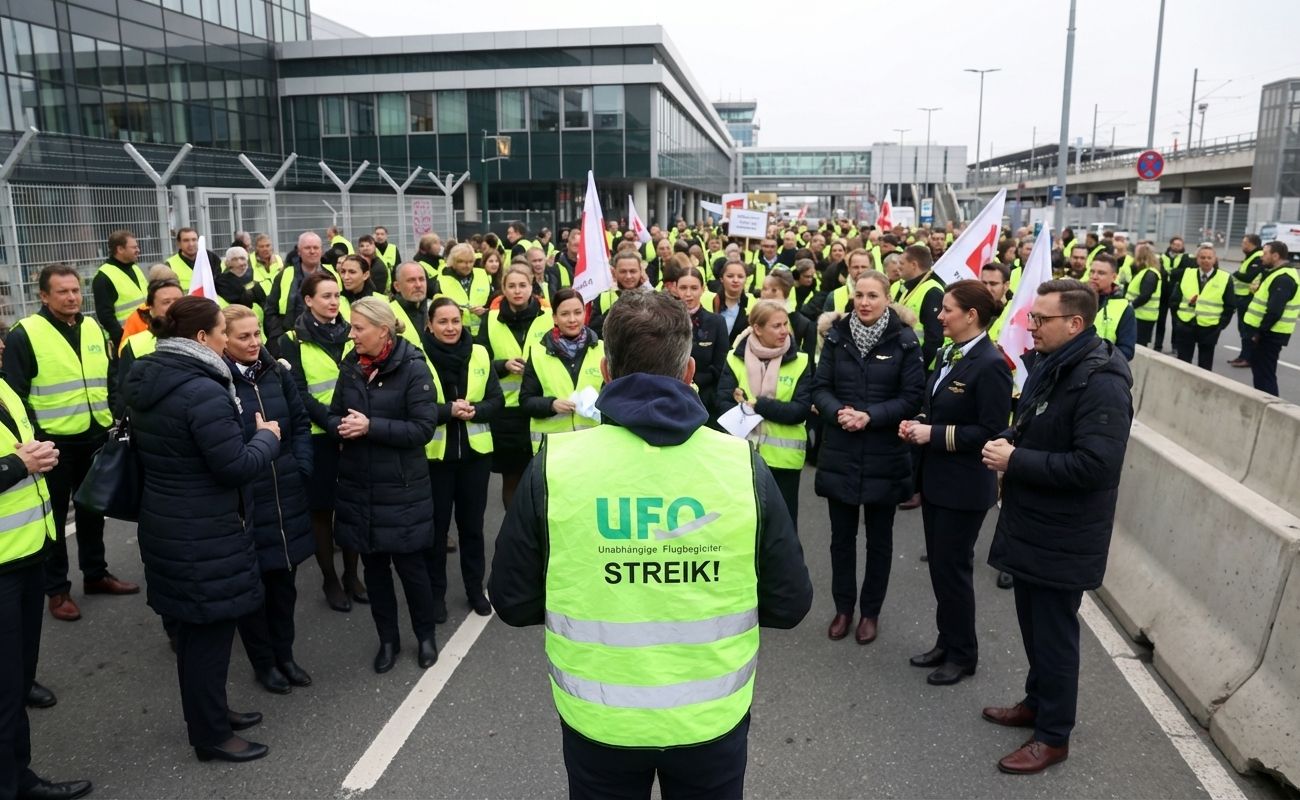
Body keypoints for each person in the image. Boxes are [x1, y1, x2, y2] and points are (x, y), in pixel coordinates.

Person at [488, 290, 812, 800]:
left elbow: (511, 600)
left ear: (604, 370)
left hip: (600, 718)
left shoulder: (557, 464)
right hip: (710, 718)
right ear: (688, 372)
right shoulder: (740, 465)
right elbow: (790, 603)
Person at [980, 279, 1133, 775]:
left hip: (1065, 534)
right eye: (1031, 316)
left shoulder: (1102, 381)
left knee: (1055, 635)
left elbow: (1096, 466)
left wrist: (1017, 460)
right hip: (1035, 524)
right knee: (1033, 625)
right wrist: (1008, 440)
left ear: (1076, 323)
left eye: (1040, 319)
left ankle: (1053, 736)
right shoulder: (1055, 365)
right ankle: (1036, 701)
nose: (1030, 325)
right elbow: (1033, 421)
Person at [124, 296, 282, 763]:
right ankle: (212, 737)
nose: (225, 341)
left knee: (195, 637)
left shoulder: (153, 376)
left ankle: (210, 715)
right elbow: (232, 465)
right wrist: (266, 439)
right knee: (209, 636)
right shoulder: (203, 390)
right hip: (203, 531)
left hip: (171, 522)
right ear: (201, 339)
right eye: (220, 332)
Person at [5, 264, 137, 623]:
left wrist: (113, 408)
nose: (72, 297)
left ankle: (95, 574)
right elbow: (14, 393)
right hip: (53, 443)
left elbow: (109, 374)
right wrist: (32, 440)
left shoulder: (92, 326)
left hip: (95, 435)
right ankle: (57, 589)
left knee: (94, 510)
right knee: (56, 516)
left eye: (76, 290)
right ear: (44, 296)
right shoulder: (25, 334)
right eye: (62, 291)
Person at [899, 280, 1012, 687]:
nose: (939, 315)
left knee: (954, 571)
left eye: (947, 310)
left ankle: (964, 655)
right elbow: (942, 408)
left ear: (972, 316)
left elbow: (992, 431)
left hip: (964, 486)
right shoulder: (952, 353)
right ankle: (947, 641)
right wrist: (920, 425)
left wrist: (935, 435)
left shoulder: (992, 364)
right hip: (938, 481)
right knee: (942, 570)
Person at [813, 270, 925, 645]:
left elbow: (912, 396)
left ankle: (870, 612)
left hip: (884, 453)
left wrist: (871, 416)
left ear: (887, 299)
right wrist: (838, 412)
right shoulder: (836, 336)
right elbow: (821, 386)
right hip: (840, 450)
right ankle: (843, 608)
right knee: (840, 539)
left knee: (880, 541)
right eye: (859, 294)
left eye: (873, 295)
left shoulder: (905, 340)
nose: (864, 302)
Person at [328, 298, 440, 674]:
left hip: (402, 490)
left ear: (383, 330)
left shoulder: (413, 368)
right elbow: (333, 414)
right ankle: (387, 640)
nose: (352, 334)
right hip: (360, 487)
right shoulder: (350, 366)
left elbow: (423, 429)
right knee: (375, 574)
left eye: (359, 328)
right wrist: (339, 427)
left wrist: (370, 426)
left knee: (412, 572)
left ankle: (425, 636)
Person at [0, 374, 93, 799]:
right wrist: (20, 464)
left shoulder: (3, 388)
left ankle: (20, 779)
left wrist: (38, 451)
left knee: (16, 684)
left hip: (26, 554)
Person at [222, 305, 315, 696]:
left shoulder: (276, 371)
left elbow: (301, 422)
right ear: (221, 339)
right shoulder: (219, 382)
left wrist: (301, 466)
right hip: (249, 501)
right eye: (243, 336)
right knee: (254, 591)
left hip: (286, 494)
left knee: (285, 585)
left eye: (257, 333)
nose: (254, 342)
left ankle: (286, 654)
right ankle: (264, 664)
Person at [276, 272, 366, 613]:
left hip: (355, 430)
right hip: (318, 436)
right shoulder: (290, 341)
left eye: (337, 295)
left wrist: (352, 422)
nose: (333, 301)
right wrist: (332, 424)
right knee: (322, 512)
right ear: (308, 300)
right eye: (326, 296)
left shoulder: (353, 332)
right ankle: (329, 577)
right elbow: (298, 392)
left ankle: (352, 574)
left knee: (353, 507)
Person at [421, 297, 503, 622]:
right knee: (436, 532)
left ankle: (474, 590)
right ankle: (436, 595)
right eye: (443, 321)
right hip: (435, 459)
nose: (451, 327)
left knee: (473, 529)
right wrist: (447, 411)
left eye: (455, 320)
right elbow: (414, 407)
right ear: (430, 325)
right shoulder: (418, 356)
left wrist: (476, 410)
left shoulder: (480, 352)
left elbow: (496, 399)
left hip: (475, 458)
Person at [716, 299, 813, 530]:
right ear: (757, 329)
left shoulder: (800, 361)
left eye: (785, 324)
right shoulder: (734, 358)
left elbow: (799, 410)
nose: (784, 331)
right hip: (743, 459)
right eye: (776, 326)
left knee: (783, 529)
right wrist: (753, 406)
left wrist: (759, 405)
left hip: (784, 463)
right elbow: (722, 403)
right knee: (745, 528)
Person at [477, 265, 552, 509]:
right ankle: (513, 529)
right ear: (503, 289)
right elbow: (479, 359)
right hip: (506, 410)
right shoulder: (489, 319)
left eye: (522, 285)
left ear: (532, 287)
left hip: (541, 405)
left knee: (543, 476)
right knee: (512, 477)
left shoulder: (548, 317)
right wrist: (503, 365)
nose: (517, 291)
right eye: (511, 286)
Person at [519, 288, 605, 456]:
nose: (572, 319)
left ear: (584, 314)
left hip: (593, 445)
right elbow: (526, 401)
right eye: (565, 314)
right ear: (555, 318)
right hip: (553, 449)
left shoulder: (602, 349)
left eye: (578, 312)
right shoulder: (537, 353)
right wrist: (551, 405)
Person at [115, 278, 184, 415]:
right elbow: (124, 391)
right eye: (166, 302)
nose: (173, 306)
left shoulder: (200, 337)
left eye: (177, 301)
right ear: (150, 308)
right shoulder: (134, 344)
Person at [672, 266, 729, 425]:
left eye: (694, 288)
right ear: (676, 289)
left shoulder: (717, 322)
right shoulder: (665, 321)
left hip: (705, 400)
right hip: (671, 395)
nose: (688, 294)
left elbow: (720, 365)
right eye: (683, 288)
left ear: (703, 289)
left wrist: (695, 383)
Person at [1242, 241, 1299, 397]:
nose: (1262, 257)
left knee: (1264, 374)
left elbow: (1274, 311)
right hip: (1269, 333)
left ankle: (1269, 406)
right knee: (1261, 372)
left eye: (1265, 254)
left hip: (1269, 335)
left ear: (1275, 255)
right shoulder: (1276, 273)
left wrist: (1259, 333)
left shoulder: (1283, 278)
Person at [265, 232, 335, 351]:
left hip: (324, 341)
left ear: (321, 251)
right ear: (299, 251)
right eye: (307, 248)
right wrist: (278, 338)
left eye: (316, 247)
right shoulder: (285, 275)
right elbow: (270, 309)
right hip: (291, 341)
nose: (312, 251)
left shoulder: (332, 275)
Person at [1169, 243, 1233, 370]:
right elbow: (1174, 300)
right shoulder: (1188, 274)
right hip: (1186, 324)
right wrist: (1178, 322)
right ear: (1197, 259)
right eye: (1202, 257)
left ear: (1215, 260)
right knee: (1183, 363)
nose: (1206, 260)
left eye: (1209, 258)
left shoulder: (1224, 278)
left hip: (1210, 327)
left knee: (1205, 364)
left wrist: (1220, 326)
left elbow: (1230, 305)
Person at [91, 229, 149, 350]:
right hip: (126, 341)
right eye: (134, 247)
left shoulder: (135, 268)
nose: (138, 250)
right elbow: (105, 315)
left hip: (145, 335)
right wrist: (121, 338)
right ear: (120, 249)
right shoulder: (103, 276)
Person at [758, 267, 816, 361]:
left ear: (786, 293)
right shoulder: (754, 318)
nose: (766, 293)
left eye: (774, 290)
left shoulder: (803, 324)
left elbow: (809, 361)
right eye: (764, 289)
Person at [1087, 254, 1136, 360]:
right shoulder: (1076, 300)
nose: (1094, 276)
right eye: (1092, 271)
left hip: (1103, 369)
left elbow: (1127, 351)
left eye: (1101, 273)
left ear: (1114, 277)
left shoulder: (1124, 309)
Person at [1227, 234, 1266, 368]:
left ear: (1252, 244)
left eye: (1244, 243)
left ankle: (1248, 358)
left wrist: (1236, 274)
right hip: (1242, 297)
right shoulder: (1251, 257)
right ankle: (1243, 356)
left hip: (1249, 297)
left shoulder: (1258, 257)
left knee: (1248, 330)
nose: (1242, 246)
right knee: (1243, 329)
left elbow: (1249, 277)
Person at [436, 244, 492, 337]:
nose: (467, 265)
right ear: (453, 261)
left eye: (471, 261)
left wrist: (486, 311)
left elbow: (494, 303)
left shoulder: (483, 275)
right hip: (455, 334)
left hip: (483, 333)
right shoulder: (441, 280)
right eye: (462, 262)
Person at [1123, 244, 1163, 348]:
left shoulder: (1150, 274)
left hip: (1142, 316)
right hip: (1141, 315)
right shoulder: (1146, 272)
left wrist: (1131, 305)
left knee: (1139, 345)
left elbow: (1145, 295)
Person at [389, 262, 431, 352]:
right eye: (411, 280)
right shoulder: (387, 314)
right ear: (397, 286)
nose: (418, 285)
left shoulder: (434, 310)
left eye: (422, 279)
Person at [714, 261, 752, 344]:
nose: (735, 280)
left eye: (740, 276)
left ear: (746, 279)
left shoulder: (753, 303)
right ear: (721, 279)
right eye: (730, 276)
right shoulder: (711, 301)